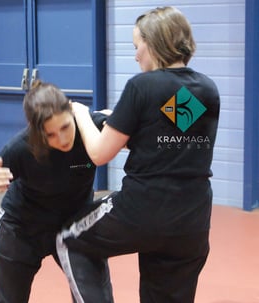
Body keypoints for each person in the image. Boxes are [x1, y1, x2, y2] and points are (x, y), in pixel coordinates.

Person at [56, 6, 220, 303]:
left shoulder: (141, 86)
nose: (135, 56)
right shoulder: (207, 89)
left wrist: (79, 112)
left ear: (155, 42)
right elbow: (167, 141)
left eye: (137, 47)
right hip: (192, 222)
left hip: (143, 210)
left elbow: (99, 153)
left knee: (69, 237)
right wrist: (120, 122)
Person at [0, 80, 113, 303]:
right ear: (37, 132)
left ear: (71, 111)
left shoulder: (89, 125)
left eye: (65, 127)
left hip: (73, 226)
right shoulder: (20, 148)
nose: (62, 139)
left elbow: (128, 130)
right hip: (22, 229)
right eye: (51, 135)